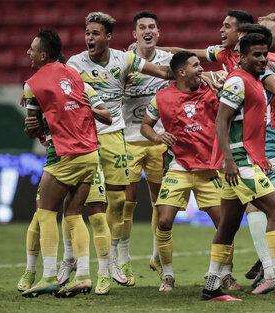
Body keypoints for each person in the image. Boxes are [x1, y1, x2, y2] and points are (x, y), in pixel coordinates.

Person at [64, 11, 176, 288]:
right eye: (87, 33)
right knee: (82, 202)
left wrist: (195, 72)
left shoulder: (124, 59)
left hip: (128, 137)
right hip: (93, 138)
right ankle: (75, 261)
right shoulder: (75, 64)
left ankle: (118, 259)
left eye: (95, 33)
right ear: (134, 33)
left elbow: (163, 71)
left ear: (109, 37)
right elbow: (57, 86)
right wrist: (32, 89)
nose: (89, 38)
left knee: (128, 201)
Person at [201, 33, 275, 302]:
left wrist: (258, 156)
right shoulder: (237, 81)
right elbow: (221, 122)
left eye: (264, 54)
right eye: (256, 55)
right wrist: (229, 160)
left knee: (228, 225)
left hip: (244, 160)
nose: (261, 59)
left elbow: (242, 126)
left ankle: (211, 286)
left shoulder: (255, 80)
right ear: (242, 57)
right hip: (238, 163)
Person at [21, 29, 111, 298]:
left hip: (63, 154)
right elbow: (98, 109)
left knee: (46, 212)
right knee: (73, 213)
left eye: (32, 49)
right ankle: (83, 275)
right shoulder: (75, 74)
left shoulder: (32, 83)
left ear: (43, 54)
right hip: (90, 153)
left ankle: (48, 274)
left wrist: (30, 128)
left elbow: (32, 127)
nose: (28, 53)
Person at [141, 51, 224, 292]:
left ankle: (220, 274)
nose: (202, 69)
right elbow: (146, 125)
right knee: (164, 222)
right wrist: (157, 136)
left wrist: (218, 86)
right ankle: (167, 275)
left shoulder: (211, 91)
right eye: (196, 65)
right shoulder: (162, 98)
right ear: (181, 72)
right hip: (178, 166)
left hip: (208, 168)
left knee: (224, 224)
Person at [118, 10, 173, 288]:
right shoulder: (124, 61)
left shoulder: (168, 61)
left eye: (152, 26)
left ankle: (157, 257)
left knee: (158, 201)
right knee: (127, 202)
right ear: (135, 34)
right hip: (128, 138)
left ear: (158, 33)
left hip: (158, 138)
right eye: (142, 27)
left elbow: (187, 71)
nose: (147, 30)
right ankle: (124, 261)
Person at [159, 9, 254, 72]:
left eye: (227, 26)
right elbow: (182, 53)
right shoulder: (221, 52)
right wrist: (151, 50)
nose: (221, 30)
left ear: (242, 32)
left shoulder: (256, 58)